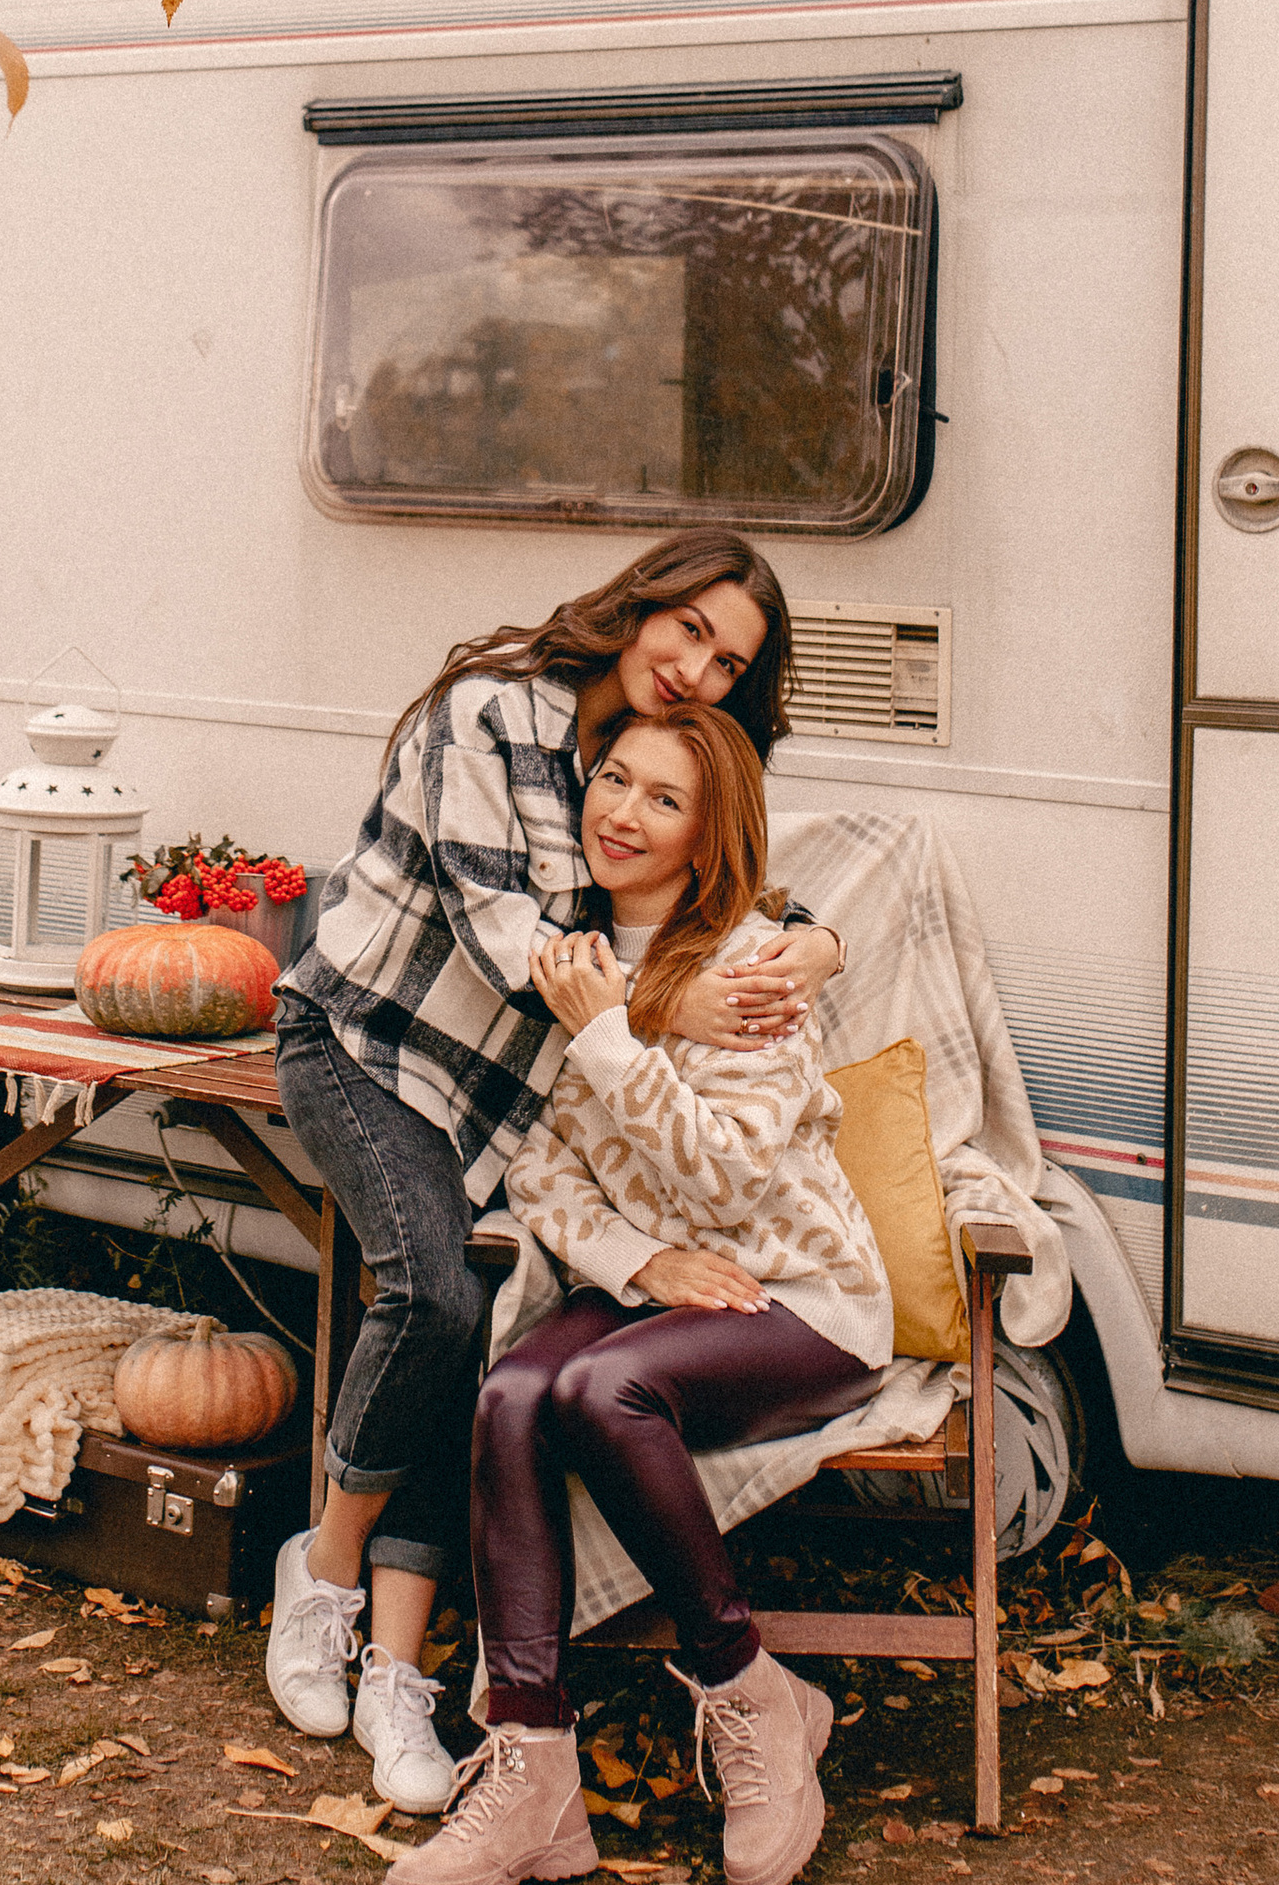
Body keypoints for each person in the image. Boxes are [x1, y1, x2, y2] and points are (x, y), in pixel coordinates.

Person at [264, 532, 844, 1814]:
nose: (695, 668)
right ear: (641, 604)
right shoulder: (488, 714)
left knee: (478, 1328)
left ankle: (398, 1672)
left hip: (507, 1103)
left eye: (728, 662)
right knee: (432, 1294)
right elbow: (505, 939)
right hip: (371, 1043)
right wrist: (680, 1005)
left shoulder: (641, 753)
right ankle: (325, 1568)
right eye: (687, 629)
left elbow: (729, 876)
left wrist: (817, 944)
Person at [379, 701, 892, 1885]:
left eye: (665, 799)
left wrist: (608, 1036)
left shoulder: (756, 967)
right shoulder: (565, 960)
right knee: (514, 1391)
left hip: (800, 1297)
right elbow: (541, 1168)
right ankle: (533, 1768)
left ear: (710, 834)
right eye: (612, 779)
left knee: (603, 1388)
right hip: (655, 1289)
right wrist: (637, 1258)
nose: (621, 813)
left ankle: (753, 1694)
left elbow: (727, 1176)